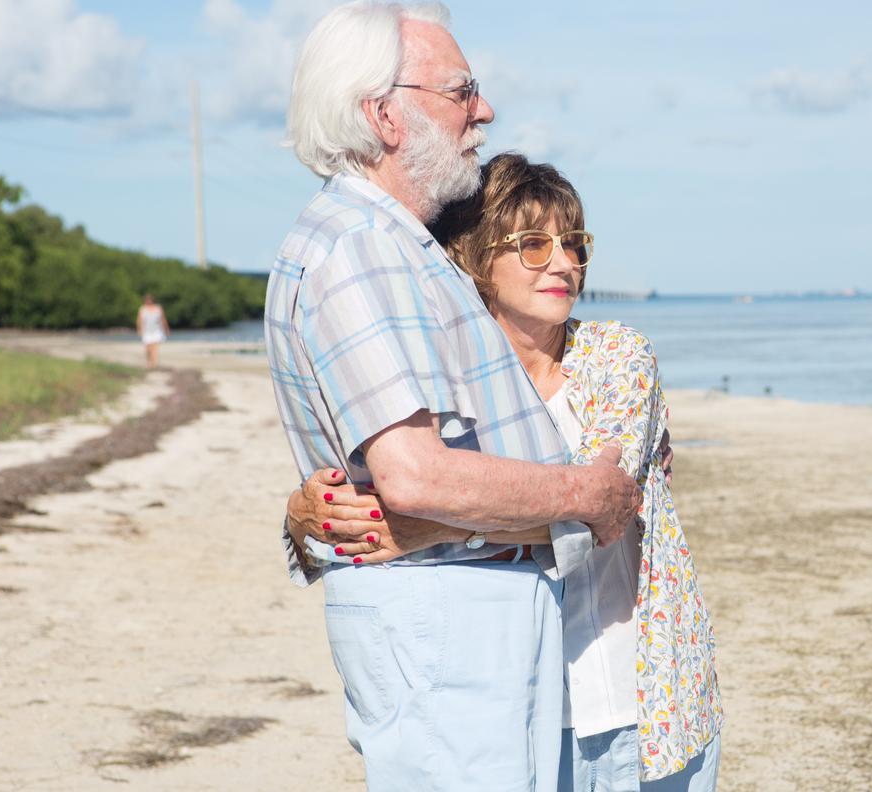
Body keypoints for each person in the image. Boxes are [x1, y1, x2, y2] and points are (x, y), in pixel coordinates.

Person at [264, 4, 642, 790]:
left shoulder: (391, 242)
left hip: (458, 619)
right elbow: (413, 476)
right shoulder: (364, 247)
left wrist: (311, 519)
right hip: (451, 626)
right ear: (384, 115)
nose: (485, 110)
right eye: (461, 90)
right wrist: (587, 493)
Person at [288, 153, 722, 792]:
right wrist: (303, 516)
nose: (564, 263)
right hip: (517, 716)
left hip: (646, 706)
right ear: (474, 257)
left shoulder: (618, 357)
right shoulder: (447, 388)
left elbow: (601, 504)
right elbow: (359, 514)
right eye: (533, 244)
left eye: (575, 244)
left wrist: (426, 531)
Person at [135, 293, 169, 368]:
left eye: (150, 300)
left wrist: (166, 329)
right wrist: (139, 329)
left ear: (153, 300)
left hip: (157, 330)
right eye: (147, 300)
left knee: (155, 348)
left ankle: (154, 363)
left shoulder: (158, 308)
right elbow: (139, 320)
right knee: (148, 349)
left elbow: (163, 319)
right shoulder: (142, 309)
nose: (148, 301)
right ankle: (149, 362)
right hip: (146, 331)